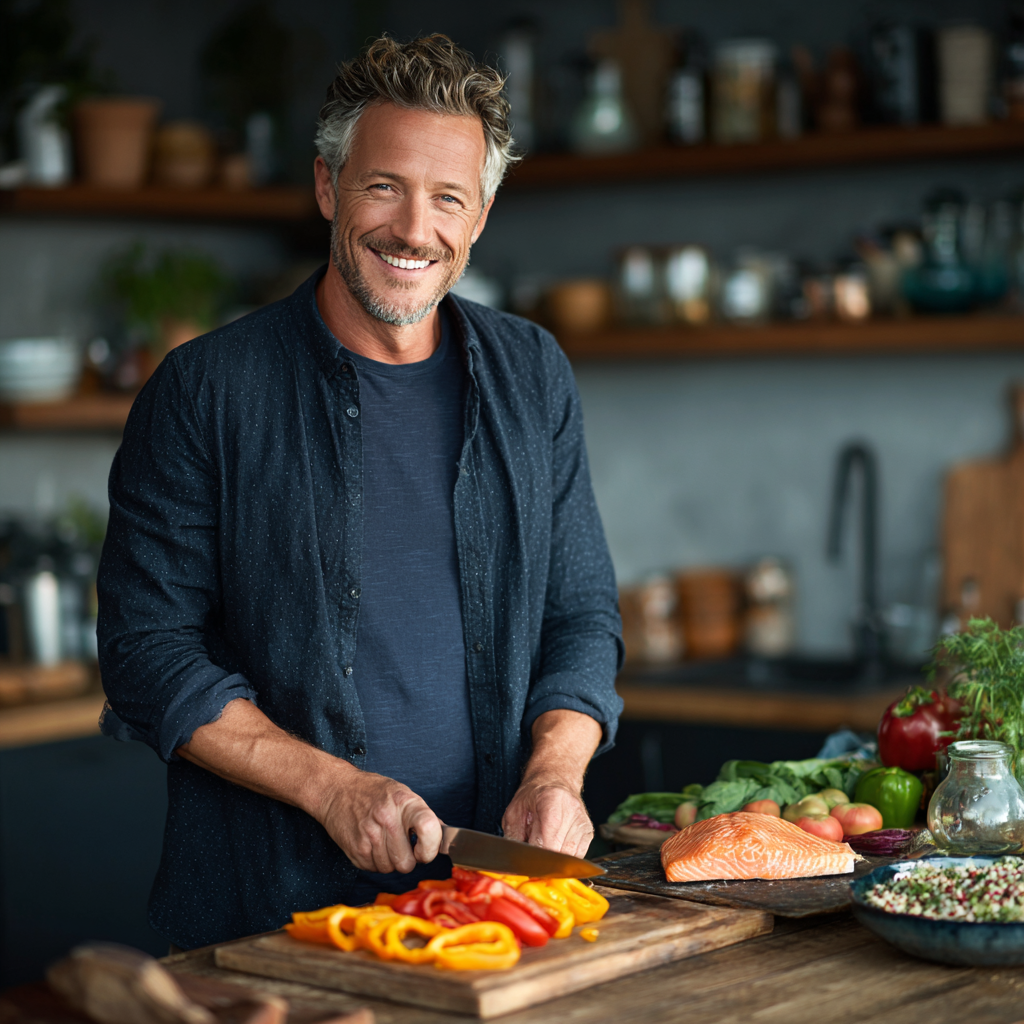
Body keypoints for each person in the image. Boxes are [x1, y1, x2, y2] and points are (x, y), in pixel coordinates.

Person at [97, 34, 623, 951]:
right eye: (384, 186)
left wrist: (555, 774)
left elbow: (579, 615)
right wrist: (330, 787)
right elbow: (148, 653)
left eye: (447, 197)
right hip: (270, 922)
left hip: (493, 906)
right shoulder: (204, 391)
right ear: (327, 187)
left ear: (482, 215)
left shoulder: (532, 372)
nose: (414, 229)